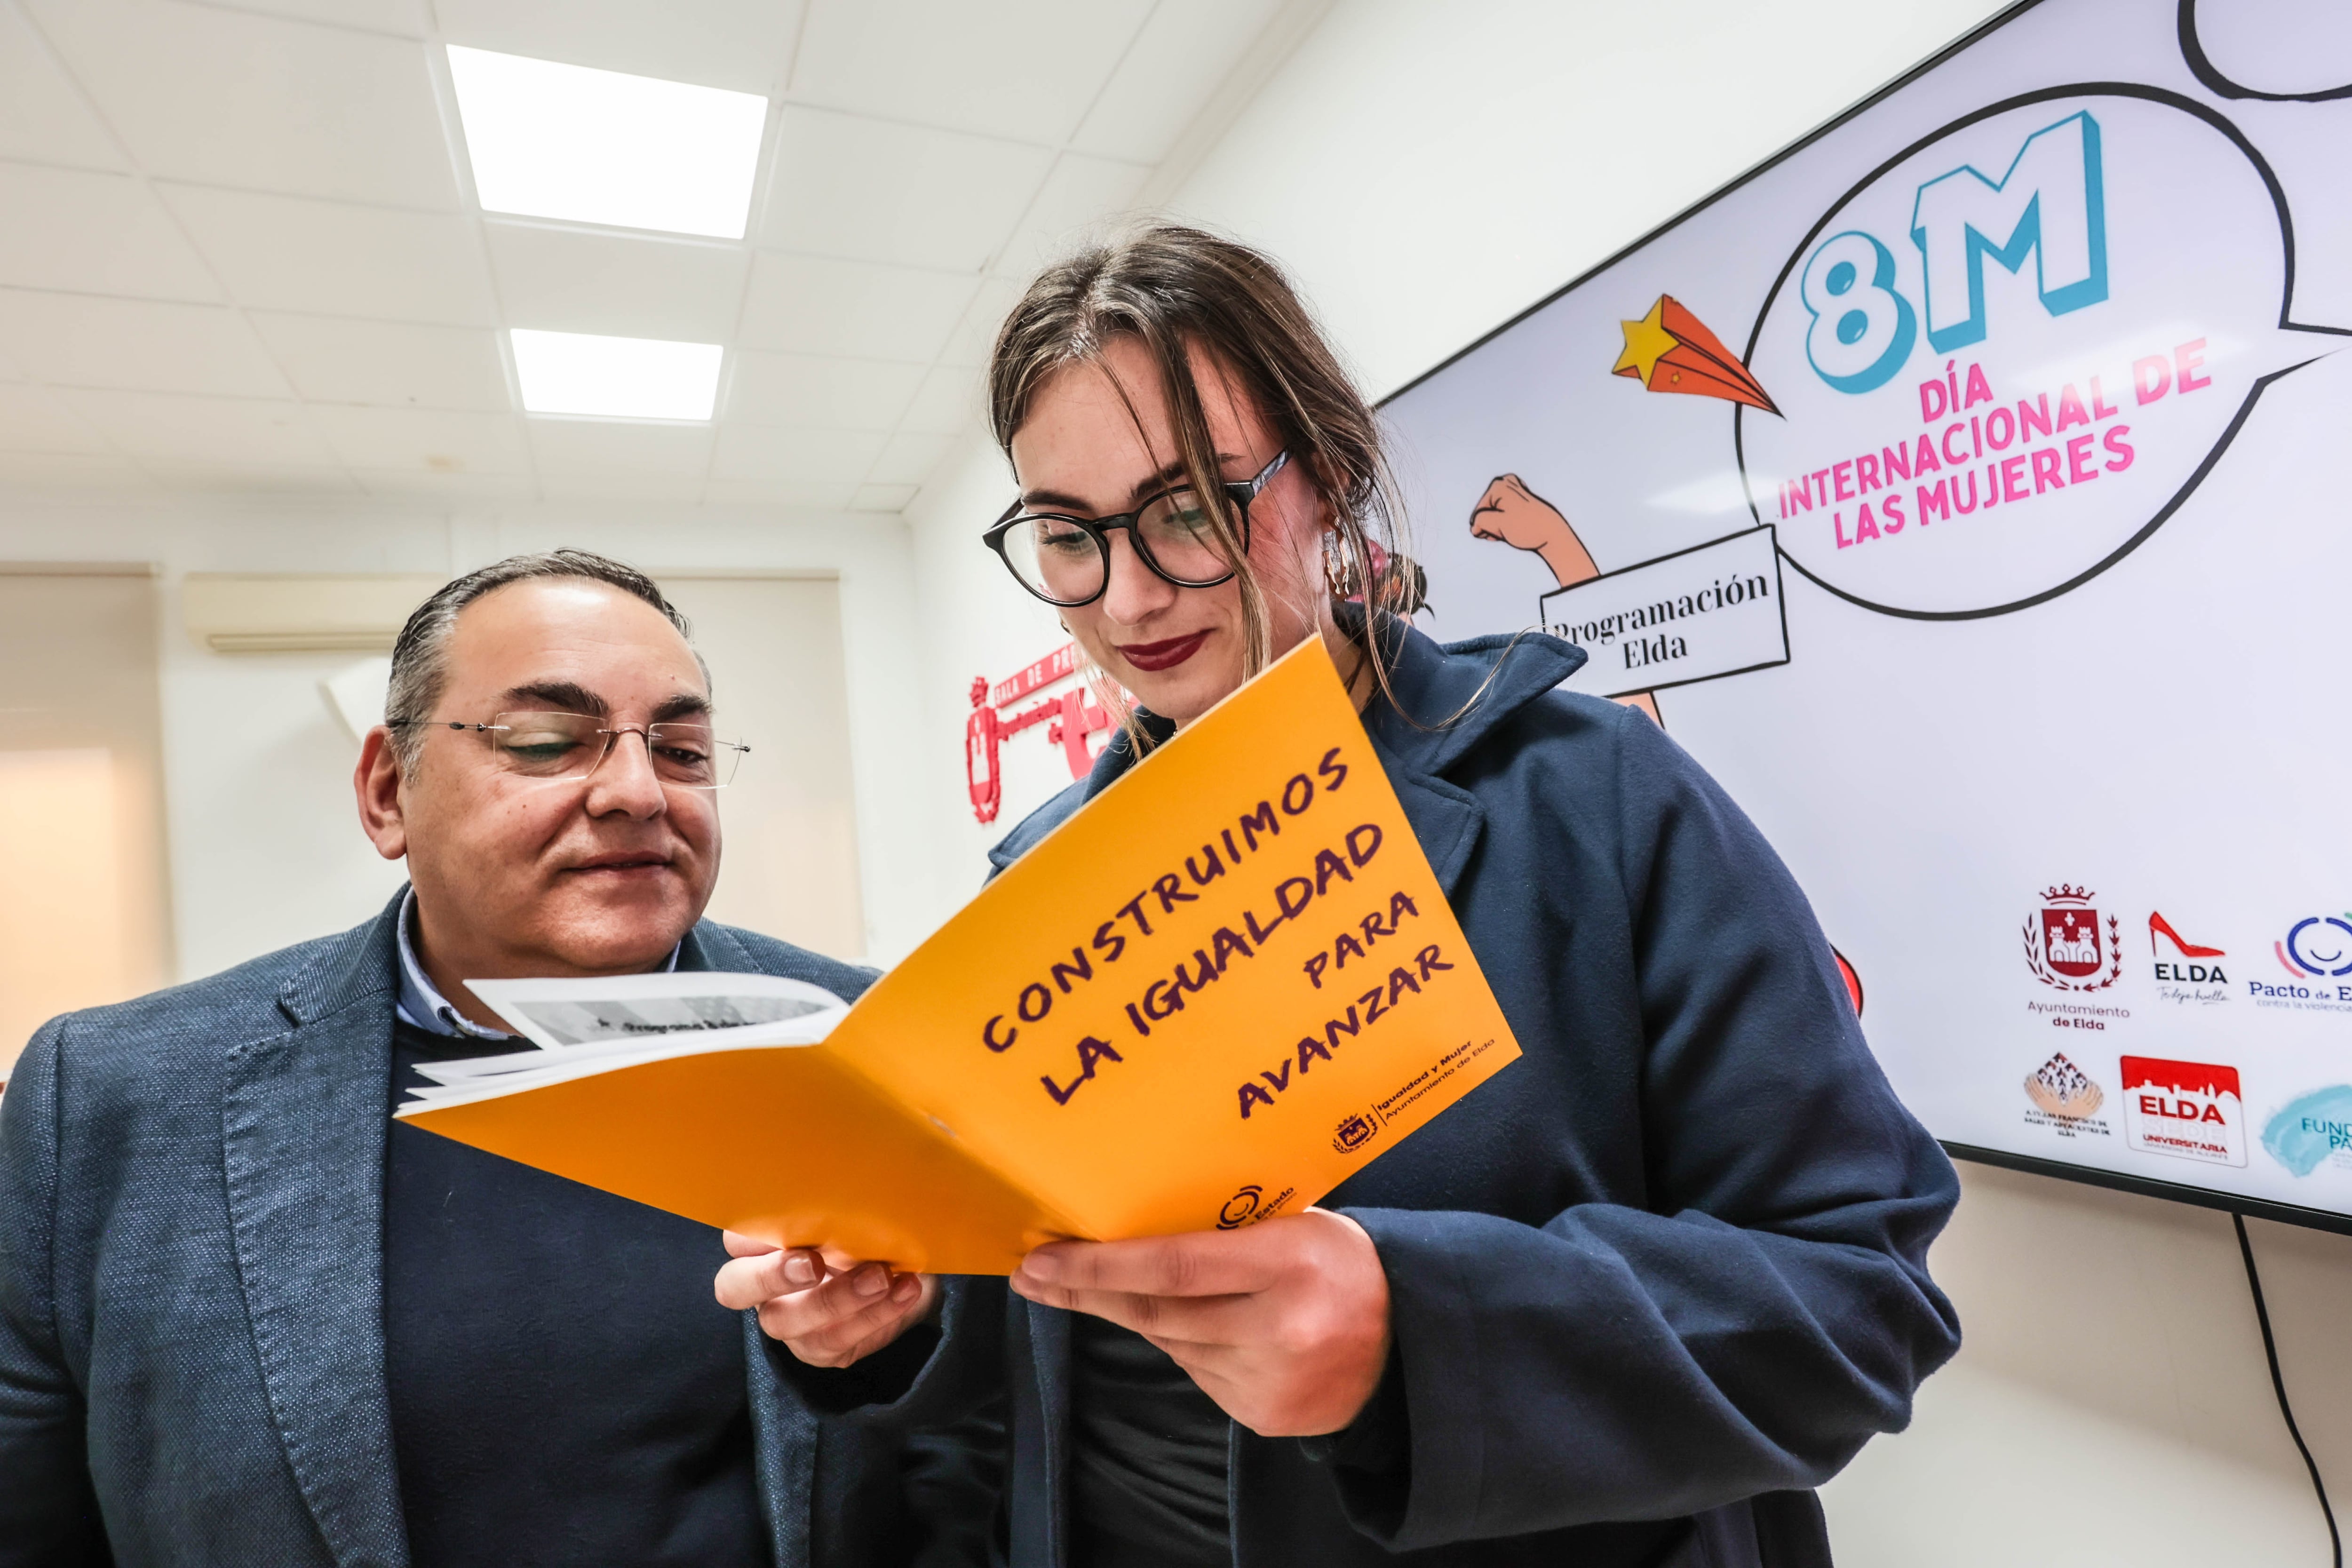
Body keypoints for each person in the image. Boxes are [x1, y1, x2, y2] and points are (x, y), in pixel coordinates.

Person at [720, 227, 1963, 1567]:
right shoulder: (1038, 879)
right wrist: (882, 1322)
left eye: (1194, 505)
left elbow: (1860, 1295)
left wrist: (1418, 1329)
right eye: (1069, 535)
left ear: (1333, 478)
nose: (1130, 594)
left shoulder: (1599, 801)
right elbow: (1021, 1344)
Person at [0, 550, 989, 1567]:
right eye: (550, 739)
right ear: (389, 791)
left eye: (684, 750)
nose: (639, 791)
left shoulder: (867, 1036)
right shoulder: (112, 1097)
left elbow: (982, 1449)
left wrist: (885, 1349)